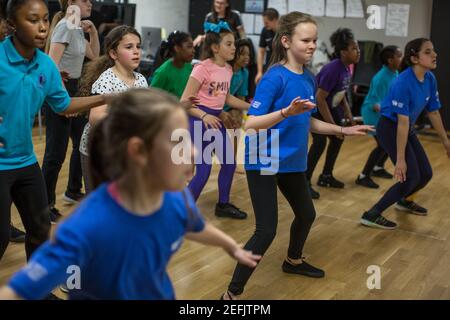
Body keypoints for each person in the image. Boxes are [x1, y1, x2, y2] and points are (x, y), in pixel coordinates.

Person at [0, 88, 261, 300]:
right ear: (138, 152)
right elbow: (18, 290)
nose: (192, 152)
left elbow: (193, 224)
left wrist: (230, 247)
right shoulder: (87, 227)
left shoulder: (174, 199)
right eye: (177, 141)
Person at [220, 12, 373, 300]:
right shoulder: (273, 78)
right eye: (306, 40)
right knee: (266, 231)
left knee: (306, 213)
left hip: (291, 160)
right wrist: (284, 112)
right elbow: (251, 123)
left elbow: (309, 121)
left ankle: (293, 260)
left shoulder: (309, 78)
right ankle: (231, 295)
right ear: (287, 41)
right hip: (264, 159)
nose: (313, 45)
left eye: (315, 40)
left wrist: (341, 130)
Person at [0, 0, 108, 263]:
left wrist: (104, 98)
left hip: (25, 162)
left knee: (40, 231)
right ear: (12, 25)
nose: (42, 28)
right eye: (33, 20)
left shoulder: (46, 66)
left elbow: (64, 105)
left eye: (46, 20)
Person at [360, 38, 450, 230]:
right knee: (410, 176)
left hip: (405, 127)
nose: (434, 55)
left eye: (433, 50)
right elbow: (401, 122)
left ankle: (404, 200)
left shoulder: (429, 78)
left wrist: (446, 142)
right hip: (390, 128)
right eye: (428, 52)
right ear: (414, 58)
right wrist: (400, 160)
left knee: (425, 173)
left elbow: (433, 112)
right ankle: (372, 214)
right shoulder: (402, 82)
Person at [180, 21, 250, 220]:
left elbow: (225, 98)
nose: (234, 48)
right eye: (229, 44)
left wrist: (251, 107)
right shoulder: (202, 68)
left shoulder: (228, 69)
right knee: (204, 170)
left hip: (214, 120)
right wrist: (204, 114)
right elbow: (185, 101)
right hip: (197, 120)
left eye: (234, 44)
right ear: (215, 47)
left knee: (228, 163)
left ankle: (223, 204)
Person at [42, 0, 100, 223]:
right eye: (85, 0)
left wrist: (93, 31)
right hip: (60, 88)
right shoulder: (65, 26)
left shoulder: (76, 29)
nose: (90, 4)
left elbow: (94, 55)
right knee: (55, 153)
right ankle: (45, 205)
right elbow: (50, 64)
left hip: (74, 89)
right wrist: (62, 100)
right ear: (71, 3)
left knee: (80, 142)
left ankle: (73, 189)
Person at [78, 25, 148, 195]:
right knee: (100, 203)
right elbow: (95, 118)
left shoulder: (141, 80)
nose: (136, 51)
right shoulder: (107, 80)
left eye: (138, 46)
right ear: (113, 54)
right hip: (98, 150)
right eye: (129, 47)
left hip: (124, 150)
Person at [306, 28, 361, 199]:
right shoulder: (332, 69)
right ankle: (304, 183)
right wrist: (332, 126)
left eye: (357, 48)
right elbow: (320, 99)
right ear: (343, 52)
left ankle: (326, 176)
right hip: (317, 109)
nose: (358, 52)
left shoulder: (347, 68)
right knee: (320, 143)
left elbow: (341, 93)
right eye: (354, 49)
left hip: (332, 108)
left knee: (338, 139)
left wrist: (349, 117)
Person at [356, 46, 402, 189]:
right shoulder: (381, 78)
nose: (402, 58)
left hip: (384, 112)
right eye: (399, 55)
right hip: (372, 113)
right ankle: (363, 176)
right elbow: (376, 103)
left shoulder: (395, 72)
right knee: (383, 144)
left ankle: (378, 167)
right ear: (390, 60)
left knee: (389, 142)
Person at [151, 30, 194, 99]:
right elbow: (150, 98)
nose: (193, 50)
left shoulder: (188, 67)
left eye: (193, 47)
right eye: (189, 47)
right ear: (177, 48)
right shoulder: (163, 72)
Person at [255, 8, 279, 84]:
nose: (265, 25)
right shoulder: (265, 30)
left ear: (275, 20)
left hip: (282, 66)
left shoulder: (284, 31)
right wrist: (259, 72)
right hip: (270, 65)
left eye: (266, 22)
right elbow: (261, 52)